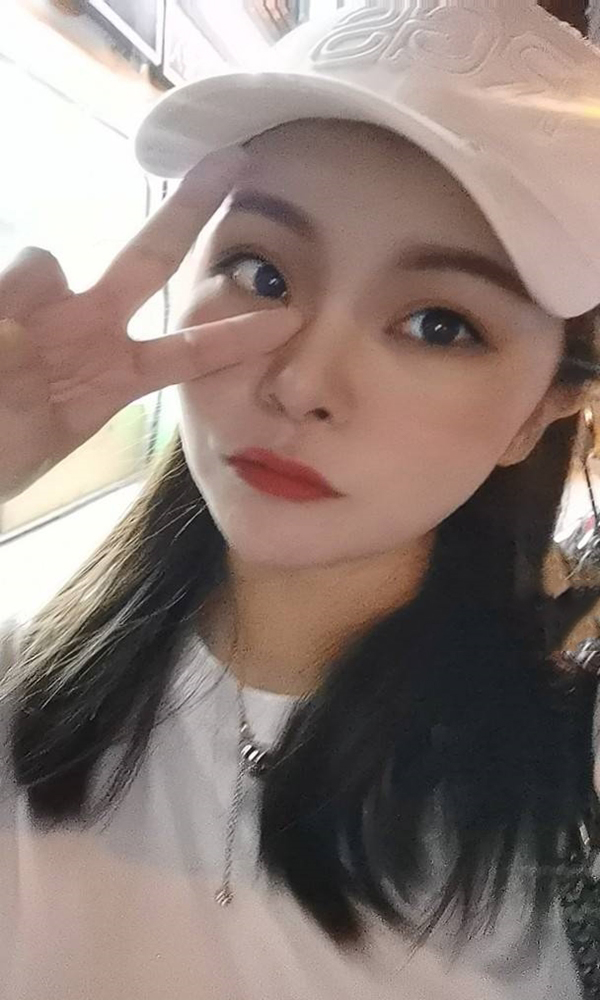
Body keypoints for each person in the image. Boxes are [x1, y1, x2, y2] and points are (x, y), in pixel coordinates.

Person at [1, 1, 600, 997]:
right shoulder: (21, 684)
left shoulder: (564, 782)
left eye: (439, 323)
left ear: (542, 409)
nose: (300, 385)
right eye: (263, 273)